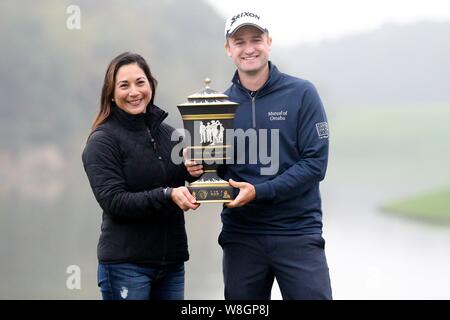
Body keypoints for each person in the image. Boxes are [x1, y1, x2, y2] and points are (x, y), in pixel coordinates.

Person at [186, 10, 332, 300]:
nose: (249, 48)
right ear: (228, 49)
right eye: (239, 41)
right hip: (242, 236)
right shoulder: (218, 105)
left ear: (269, 42)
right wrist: (199, 168)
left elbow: (315, 165)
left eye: (256, 39)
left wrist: (259, 191)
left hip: (297, 232)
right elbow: (219, 170)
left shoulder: (302, 93)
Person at [82, 52, 199, 300]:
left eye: (140, 82)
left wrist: (194, 170)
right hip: (126, 266)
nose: (134, 92)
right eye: (124, 85)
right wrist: (168, 195)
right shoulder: (102, 141)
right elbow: (115, 201)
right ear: (111, 93)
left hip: (172, 264)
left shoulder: (169, 134)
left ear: (151, 85)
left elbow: (183, 183)